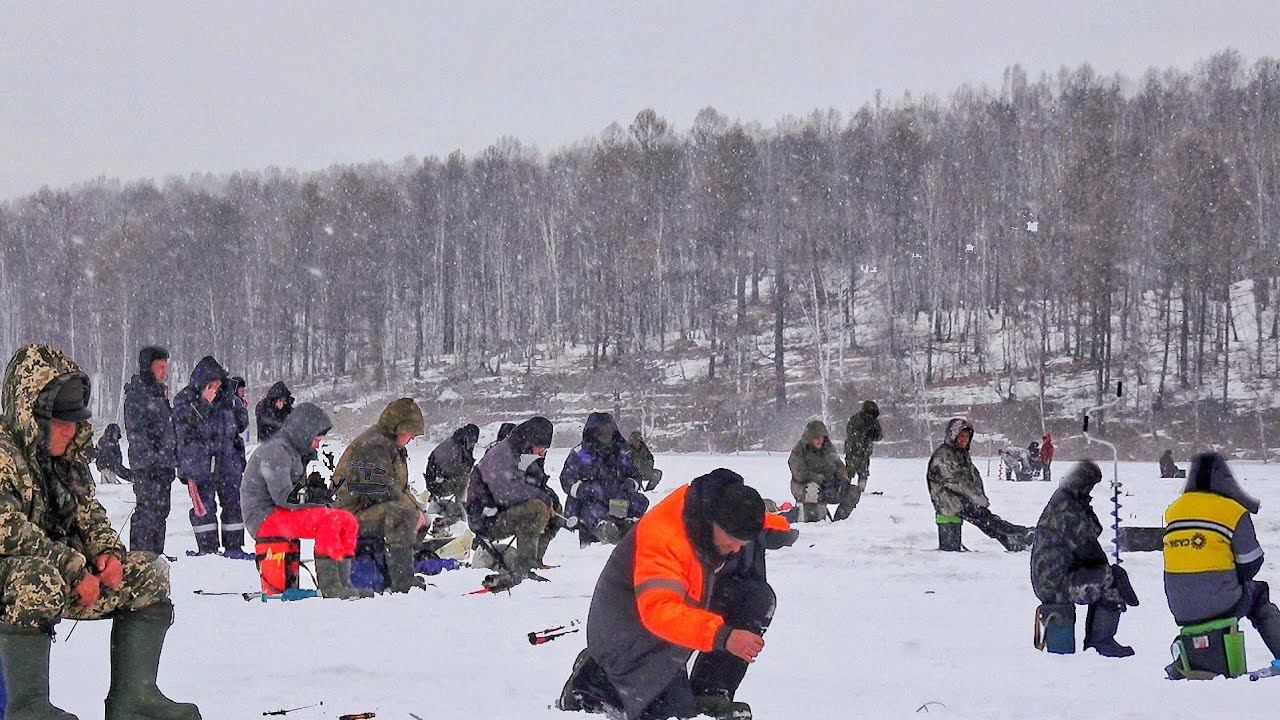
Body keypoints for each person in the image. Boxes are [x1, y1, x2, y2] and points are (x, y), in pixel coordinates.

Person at [0, 344, 200, 720]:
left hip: (61, 576)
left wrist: (107, 552)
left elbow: (88, 513)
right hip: (17, 580)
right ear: (32, 418)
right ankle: (27, 709)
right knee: (36, 578)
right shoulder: (3, 454)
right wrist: (72, 566)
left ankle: (134, 702)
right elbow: (6, 530)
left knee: (148, 574)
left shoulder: (65, 460)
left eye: (74, 421)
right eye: (60, 422)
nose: (69, 430)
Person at [557, 469, 796, 719]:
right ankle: (593, 680)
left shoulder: (711, 512)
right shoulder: (665, 537)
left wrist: (781, 526)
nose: (735, 548)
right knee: (671, 713)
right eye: (733, 540)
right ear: (714, 521)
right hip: (629, 633)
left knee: (753, 597)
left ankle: (710, 693)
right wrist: (723, 636)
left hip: (664, 626)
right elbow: (659, 611)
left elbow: (755, 521)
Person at [1163, 453, 1280, 675]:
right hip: (1220, 603)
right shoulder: (1232, 510)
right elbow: (1252, 562)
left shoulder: (1174, 510)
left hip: (1179, 605)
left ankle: (1192, 659)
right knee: (1259, 594)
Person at [241, 402, 370, 600]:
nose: (318, 444)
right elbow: (284, 497)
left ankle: (344, 583)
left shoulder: (295, 453)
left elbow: (295, 497)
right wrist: (313, 495)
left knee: (346, 520)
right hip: (263, 517)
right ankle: (330, 586)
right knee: (329, 521)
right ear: (304, 433)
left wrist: (317, 495)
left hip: (279, 513)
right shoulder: (277, 451)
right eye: (316, 439)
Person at [1031, 461, 1139, 657]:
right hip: (1056, 584)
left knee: (1107, 575)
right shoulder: (1067, 509)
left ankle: (1098, 641)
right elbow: (1088, 547)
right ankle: (1101, 642)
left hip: (1053, 579)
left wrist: (1084, 504)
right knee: (1110, 579)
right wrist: (1111, 573)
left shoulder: (1066, 502)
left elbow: (1094, 529)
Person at [332, 398, 427, 593]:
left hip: (362, 511)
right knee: (402, 514)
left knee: (412, 514)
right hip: (347, 516)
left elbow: (398, 488)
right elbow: (381, 490)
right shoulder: (373, 446)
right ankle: (402, 582)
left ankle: (399, 570)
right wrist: (412, 513)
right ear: (400, 428)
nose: (412, 438)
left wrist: (418, 510)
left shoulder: (388, 445)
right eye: (411, 433)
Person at [466, 416, 565, 590]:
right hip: (486, 518)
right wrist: (542, 498)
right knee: (537, 509)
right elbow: (507, 493)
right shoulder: (503, 454)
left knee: (555, 511)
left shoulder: (525, 454)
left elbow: (533, 483)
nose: (542, 453)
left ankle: (533, 560)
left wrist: (551, 499)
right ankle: (524, 567)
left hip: (503, 510)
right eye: (541, 448)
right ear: (531, 441)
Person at [927, 418, 1033, 552]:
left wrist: (977, 497)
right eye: (961, 436)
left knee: (985, 519)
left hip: (959, 500)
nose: (964, 439)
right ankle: (1018, 536)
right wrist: (976, 498)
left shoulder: (960, 454)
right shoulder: (943, 455)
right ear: (953, 435)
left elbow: (971, 478)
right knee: (985, 519)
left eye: (967, 436)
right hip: (949, 501)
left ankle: (1016, 537)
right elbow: (955, 482)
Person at [172, 356, 241, 557]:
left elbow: (237, 424)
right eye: (212, 384)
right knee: (204, 508)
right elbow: (185, 428)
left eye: (218, 384)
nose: (216, 388)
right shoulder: (184, 400)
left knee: (233, 504)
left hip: (226, 463)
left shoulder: (227, 399)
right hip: (198, 465)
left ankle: (234, 547)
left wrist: (233, 403)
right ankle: (208, 549)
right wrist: (204, 404)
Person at [122, 345, 178, 555]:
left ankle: (155, 555)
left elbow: (167, 430)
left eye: (166, 367)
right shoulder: (138, 395)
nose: (165, 372)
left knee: (161, 512)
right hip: (148, 468)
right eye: (161, 367)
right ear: (149, 367)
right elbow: (138, 435)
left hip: (163, 467)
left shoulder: (159, 395)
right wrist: (154, 460)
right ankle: (141, 558)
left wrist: (170, 459)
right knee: (147, 513)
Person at [560, 412, 648, 545]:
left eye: (609, 429)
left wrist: (631, 484)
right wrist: (585, 489)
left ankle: (629, 526)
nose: (606, 433)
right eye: (602, 429)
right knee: (592, 511)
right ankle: (603, 529)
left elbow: (635, 475)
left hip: (618, 498)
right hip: (591, 500)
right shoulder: (580, 453)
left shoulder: (621, 452)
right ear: (593, 431)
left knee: (639, 502)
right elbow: (566, 478)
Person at [788, 420, 855, 522]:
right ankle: (811, 520)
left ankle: (838, 521)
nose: (820, 440)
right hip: (803, 487)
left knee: (853, 491)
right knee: (812, 488)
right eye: (816, 438)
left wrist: (843, 478)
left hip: (826, 486)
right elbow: (799, 474)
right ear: (809, 438)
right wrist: (817, 478)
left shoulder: (828, 449)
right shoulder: (800, 450)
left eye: (822, 437)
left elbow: (838, 465)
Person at [423, 423, 480, 535]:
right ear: (467, 438)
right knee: (466, 480)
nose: (472, 445)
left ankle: (460, 507)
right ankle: (462, 510)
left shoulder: (459, 443)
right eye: (472, 442)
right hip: (437, 484)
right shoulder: (454, 448)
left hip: (440, 481)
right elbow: (449, 470)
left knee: (467, 477)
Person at [843, 400, 882, 502]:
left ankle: (860, 493)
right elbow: (851, 433)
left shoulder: (873, 422)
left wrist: (872, 432)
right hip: (853, 452)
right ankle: (845, 491)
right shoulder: (856, 420)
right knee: (849, 473)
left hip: (864, 453)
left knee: (863, 474)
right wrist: (864, 432)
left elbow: (879, 436)